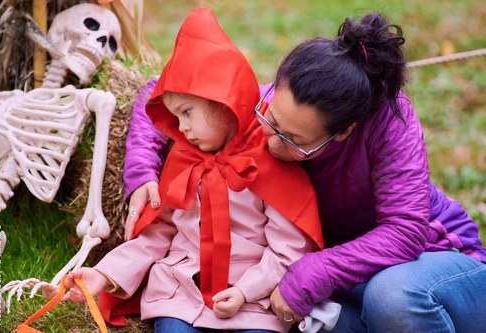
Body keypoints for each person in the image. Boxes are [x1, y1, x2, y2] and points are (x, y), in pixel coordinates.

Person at [122, 11, 486, 333]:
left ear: (344, 131)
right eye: (272, 122)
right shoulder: (264, 106)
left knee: (391, 298)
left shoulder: (389, 121)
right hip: (347, 275)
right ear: (275, 90)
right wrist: (142, 174)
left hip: (432, 263)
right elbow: (157, 90)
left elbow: (405, 231)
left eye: (296, 140)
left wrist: (311, 274)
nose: (273, 145)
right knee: (293, 317)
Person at [62, 7, 324, 333]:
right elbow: (158, 235)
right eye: (176, 116)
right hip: (180, 294)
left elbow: (288, 250)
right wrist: (104, 273)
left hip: (253, 301)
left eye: (187, 112)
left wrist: (245, 291)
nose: (181, 128)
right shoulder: (184, 161)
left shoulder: (271, 163)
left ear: (224, 99)